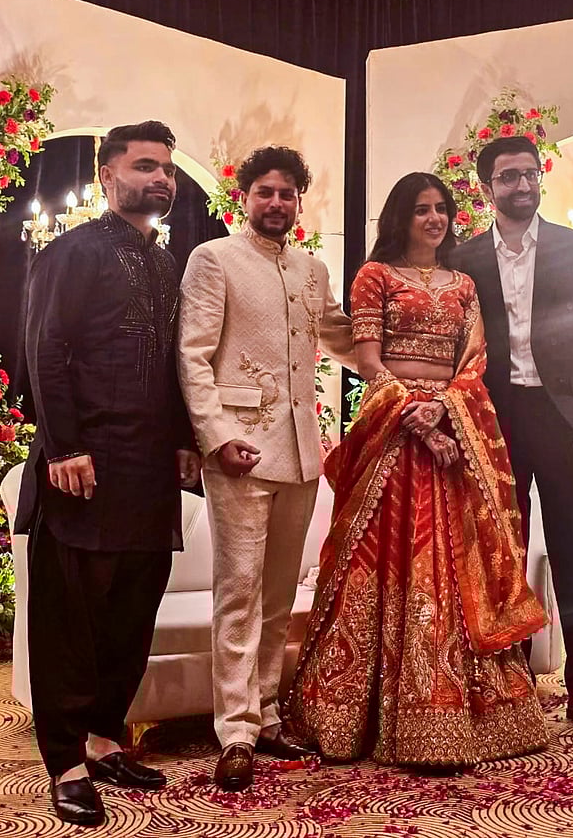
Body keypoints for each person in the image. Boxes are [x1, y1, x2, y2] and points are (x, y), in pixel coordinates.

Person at [285, 172, 548, 767]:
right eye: (421, 209)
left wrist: (445, 408)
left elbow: (473, 362)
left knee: (455, 563)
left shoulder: (463, 284)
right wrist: (417, 418)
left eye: (441, 209)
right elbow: (368, 361)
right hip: (394, 434)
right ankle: (356, 710)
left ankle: (457, 710)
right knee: (382, 556)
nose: (434, 219)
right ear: (400, 218)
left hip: (452, 429)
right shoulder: (375, 276)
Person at [15, 121, 201, 826]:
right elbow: (44, 347)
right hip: (83, 469)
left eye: (168, 170)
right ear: (107, 176)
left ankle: (103, 740)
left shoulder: (165, 261)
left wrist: (182, 440)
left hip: (147, 471)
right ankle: (65, 761)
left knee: (131, 612)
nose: (161, 180)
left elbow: (175, 362)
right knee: (73, 619)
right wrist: (64, 447)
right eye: (145, 166)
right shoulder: (71, 251)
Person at [177, 145, 356, 791]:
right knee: (239, 592)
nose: (276, 202)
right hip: (240, 453)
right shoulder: (214, 259)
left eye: (287, 193)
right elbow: (193, 356)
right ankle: (235, 730)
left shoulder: (312, 269)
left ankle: (269, 712)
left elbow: (341, 338)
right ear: (244, 198)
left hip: (302, 454)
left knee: (278, 597)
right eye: (265, 192)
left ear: (299, 202)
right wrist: (216, 437)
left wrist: (415, 347)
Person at [453, 135, 573, 737]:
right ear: (487, 188)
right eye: (508, 177)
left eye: (529, 174)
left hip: (561, 418)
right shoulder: (464, 259)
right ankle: (510, 689)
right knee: (500, 555)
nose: (522, 185)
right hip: (494, 420)